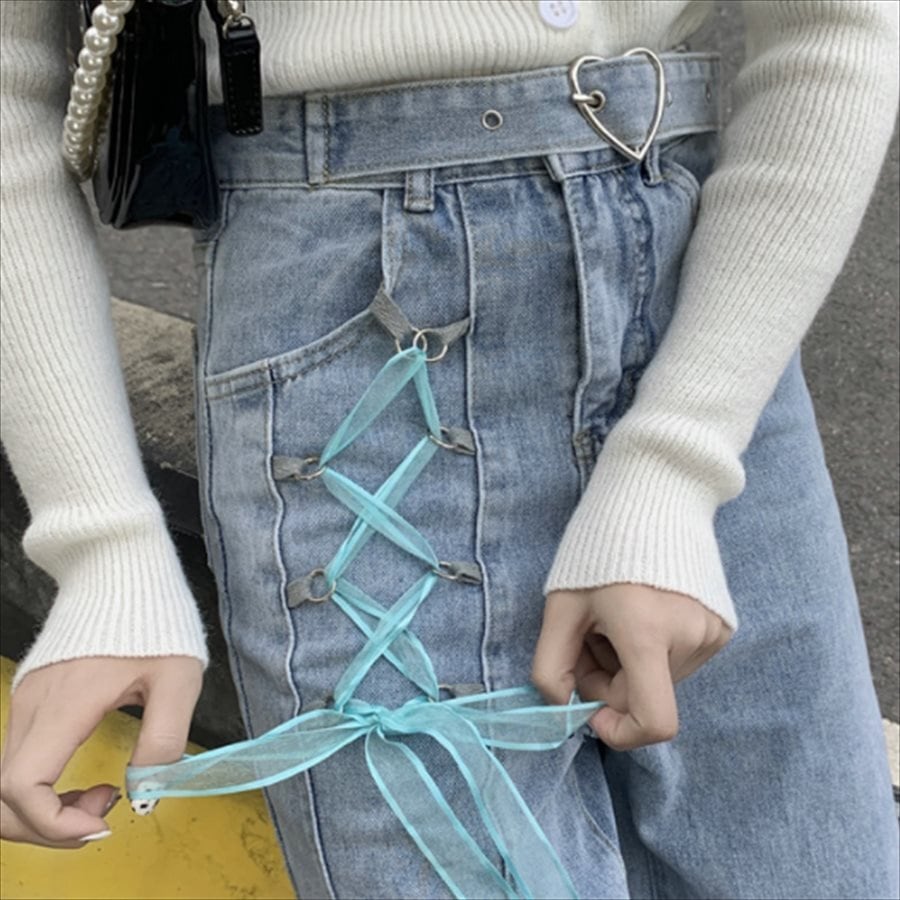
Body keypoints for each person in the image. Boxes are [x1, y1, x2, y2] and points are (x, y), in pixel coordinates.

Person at [0, 0, 898, 897]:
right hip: (353, 325)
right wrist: (102, 542)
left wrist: (680, 459)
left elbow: (834, 26)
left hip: (704, 312)